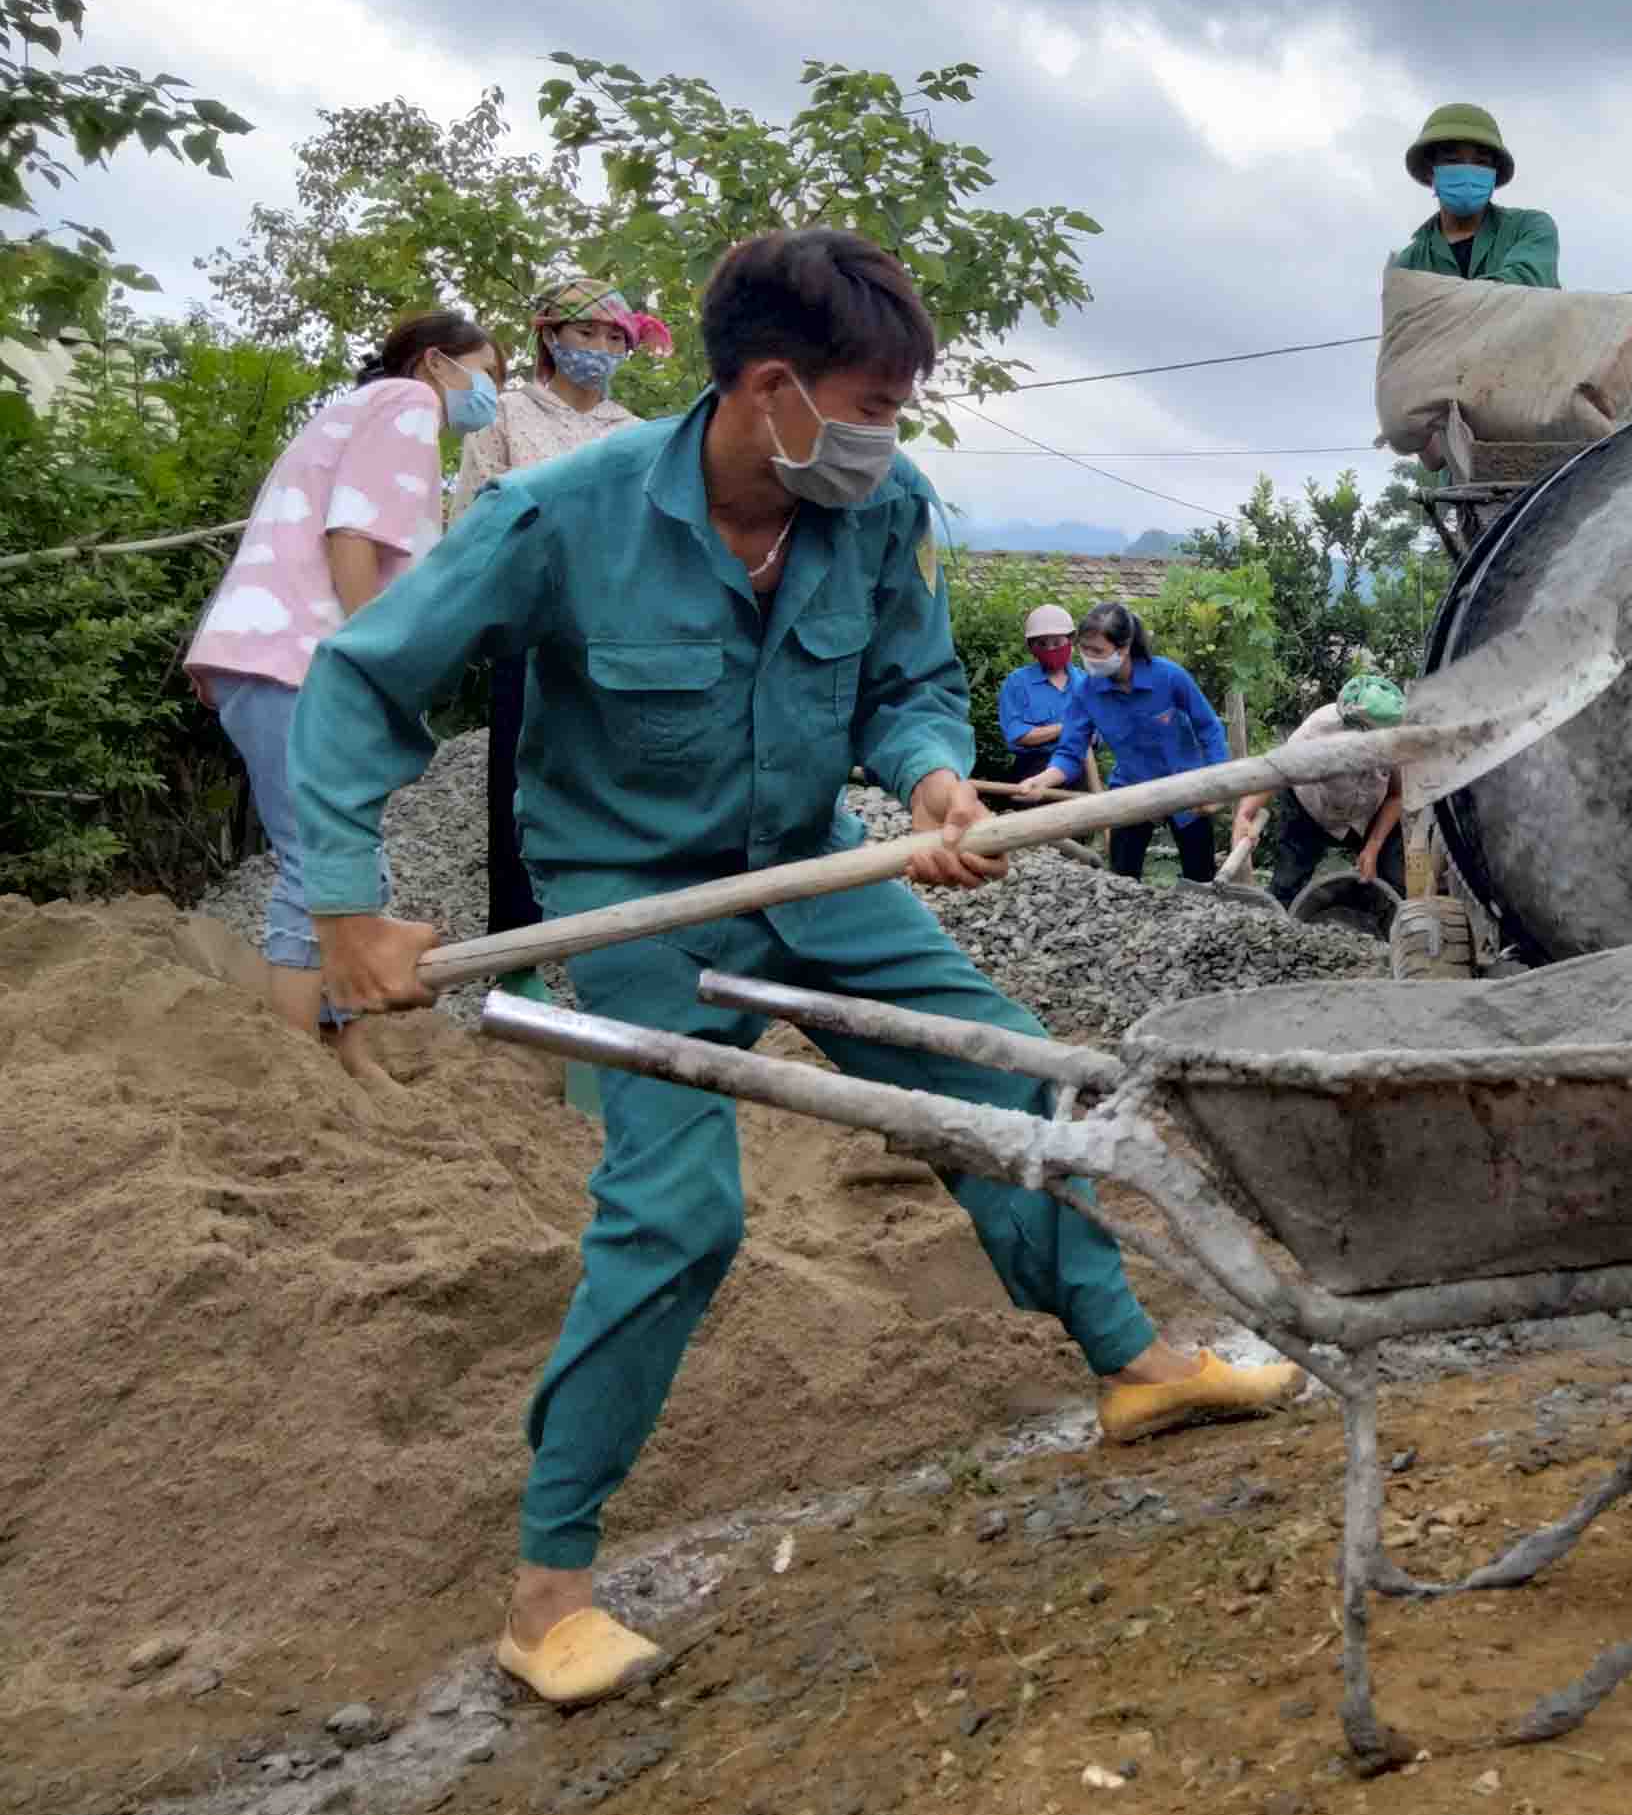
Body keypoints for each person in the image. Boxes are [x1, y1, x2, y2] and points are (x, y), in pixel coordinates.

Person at [292, 229, 1301, 1706]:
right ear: (771, 390)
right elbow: (361, 677)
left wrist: (940, 782)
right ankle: (548, 1588)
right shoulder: (557, 516)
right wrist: (342, 907)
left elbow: (903, 686)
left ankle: (1134, 1364)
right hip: (632, 901)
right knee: (681, 1209)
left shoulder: (880, 507)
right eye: (873, 401)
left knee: (1007, 1075)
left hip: (813, 863)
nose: (888, 436)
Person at [186, 309, 500, 1087]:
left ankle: (341, 1047)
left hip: (271, 655)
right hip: (302, 659)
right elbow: (353, 534)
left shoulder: (355, 412)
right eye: (486, 371)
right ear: (436, 364)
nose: (490, 391)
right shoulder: (407, 405)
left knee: (341, 858)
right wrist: (370, 658)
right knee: (318, 862)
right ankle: (299, 1072)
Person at [452, 276, 651, 1000]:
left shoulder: (633, 433)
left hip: (611, 636)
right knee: (516, 784)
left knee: (614, 787)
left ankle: (617, 951)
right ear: (550, 338)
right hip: (528, 627)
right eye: (585, 335)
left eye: (612, 339)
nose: (598, 350)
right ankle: (516, 956)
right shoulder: (504, 416)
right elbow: (473, 518)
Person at [1010, 601, 1231, 881]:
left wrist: (1216, 784)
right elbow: (1070, 752)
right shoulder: (1086, 692)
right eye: (1084, 649)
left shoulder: (1168, 676)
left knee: (1200, 878)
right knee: (1121, 880)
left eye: (1097, 651)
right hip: (1131, 788)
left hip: (1186, 786)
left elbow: (1209, 728)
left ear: (1124, 648)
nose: (1088, 658)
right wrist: (1042, 781)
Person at [1230, 674, 1408, 906]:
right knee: (1287, 883)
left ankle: (1373, 920)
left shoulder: (1399, 739)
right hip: (1310, 808)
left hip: (1366, 814)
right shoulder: (1322, 727)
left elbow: (1396, 795)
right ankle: (1276, 926)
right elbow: (1277, 769)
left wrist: (1373, 846)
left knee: (1391, 880)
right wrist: (1245, 814)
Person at [1392, 103, 1559, 287]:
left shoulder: (1529, 228)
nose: (1468, 171)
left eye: (1481, 162)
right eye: (1452, 161)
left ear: (1494, 174)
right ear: (1430, 172)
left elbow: (1526, 282)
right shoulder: (1410, 263)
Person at [995, 603, 1080, 786]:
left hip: (1078, 771)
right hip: (1031, 772)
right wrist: (1066, 728)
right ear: (1031, 647)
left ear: (1070, 641)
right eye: (1042, 644)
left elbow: (1095, 733)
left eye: (1057, 643)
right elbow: (1017, 734)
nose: (1050, 649)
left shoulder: (1084, 683)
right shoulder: (1017, 682)